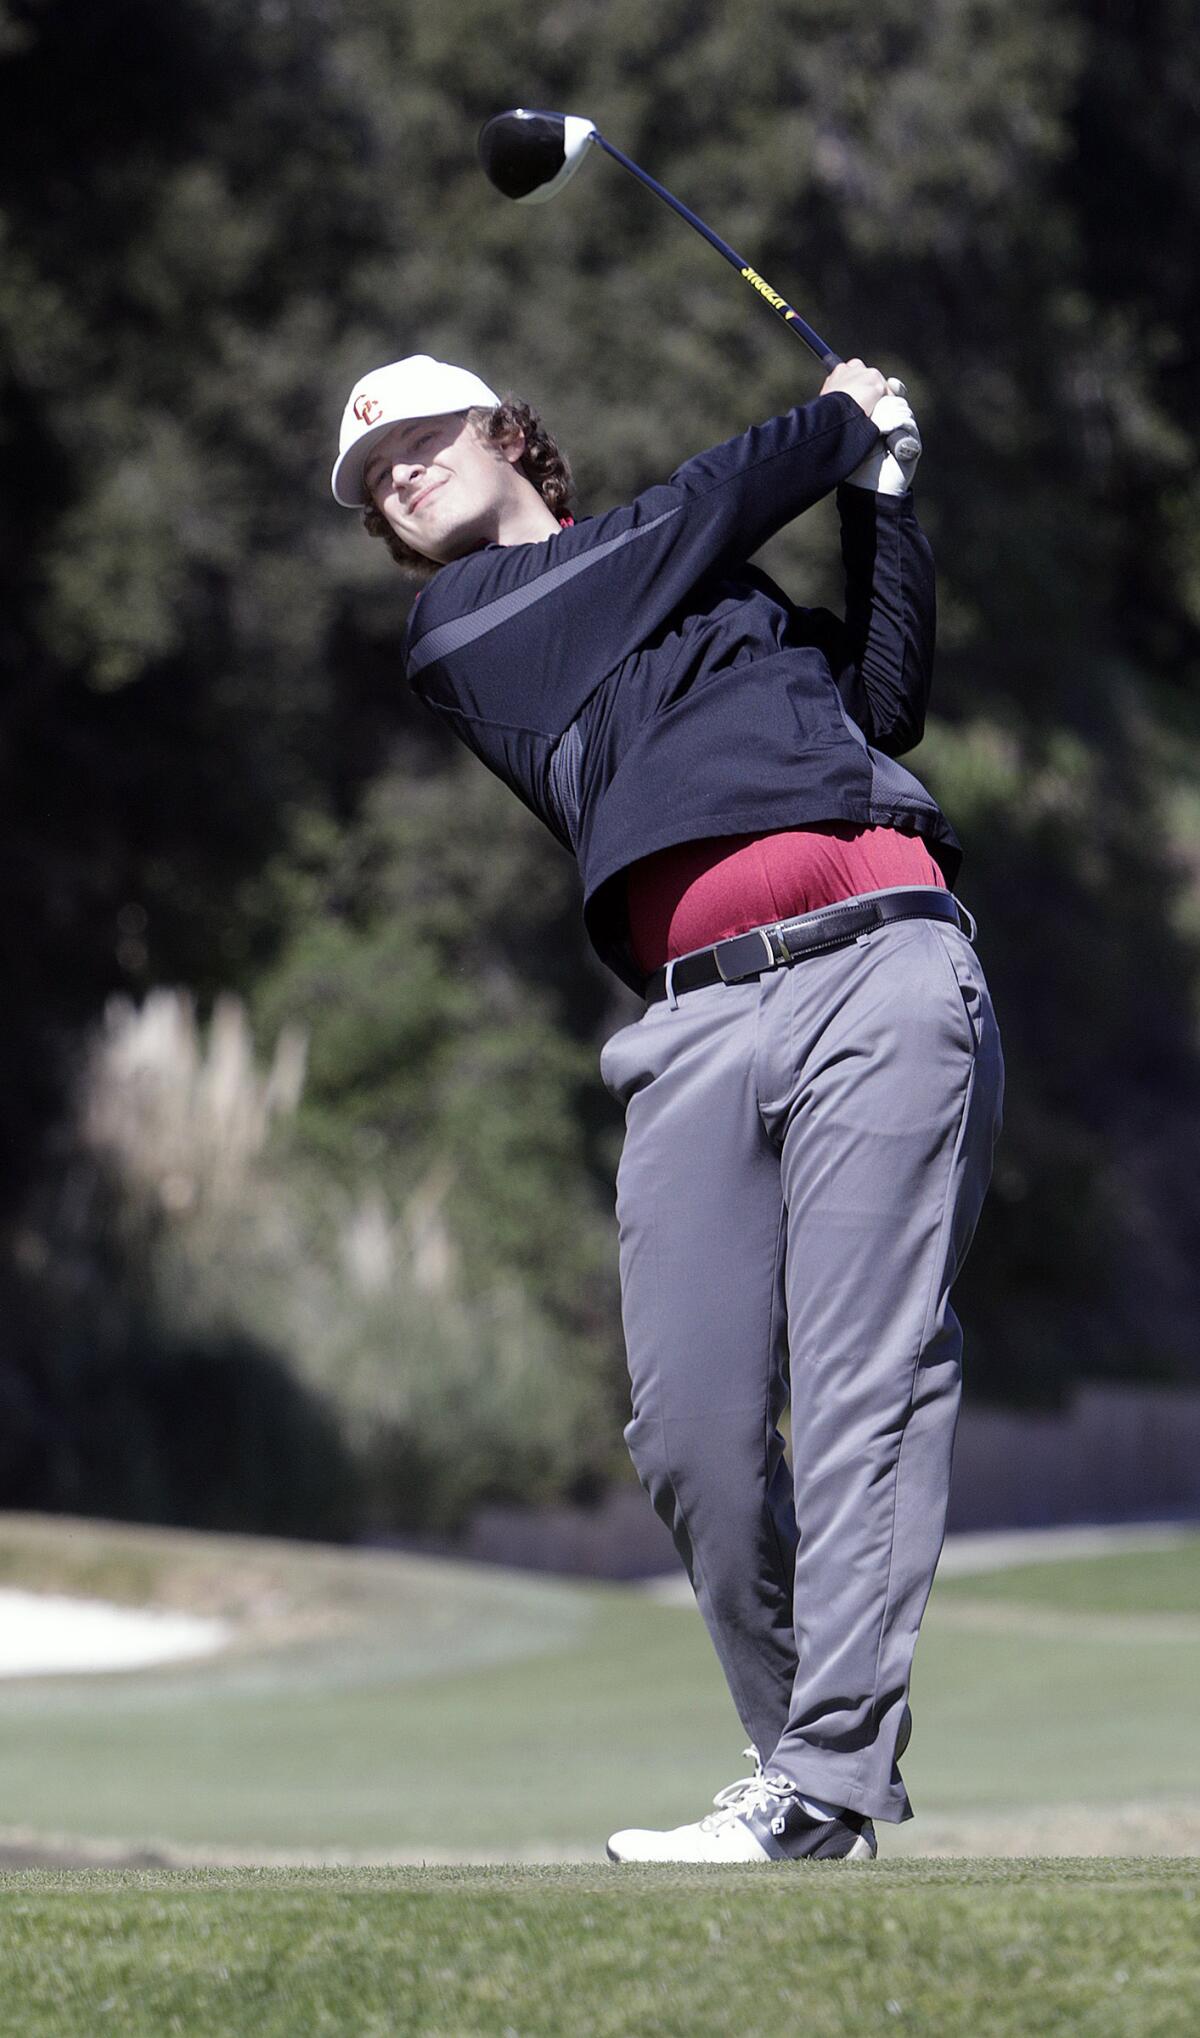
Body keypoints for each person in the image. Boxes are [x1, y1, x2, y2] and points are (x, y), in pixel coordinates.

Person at [330, 352, 1004, 1863]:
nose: (397, 477)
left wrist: (886, 494)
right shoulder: (469, 632)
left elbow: (888, 694)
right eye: (375, 479)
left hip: (882, 972)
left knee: (860, 1393)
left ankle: (822, 1784)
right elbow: (693, 513)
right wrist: (838, 423)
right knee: (690, 1427)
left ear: (506, 428)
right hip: (697, 1024)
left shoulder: (716, 597)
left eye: (418, 441)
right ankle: (798, 1764)